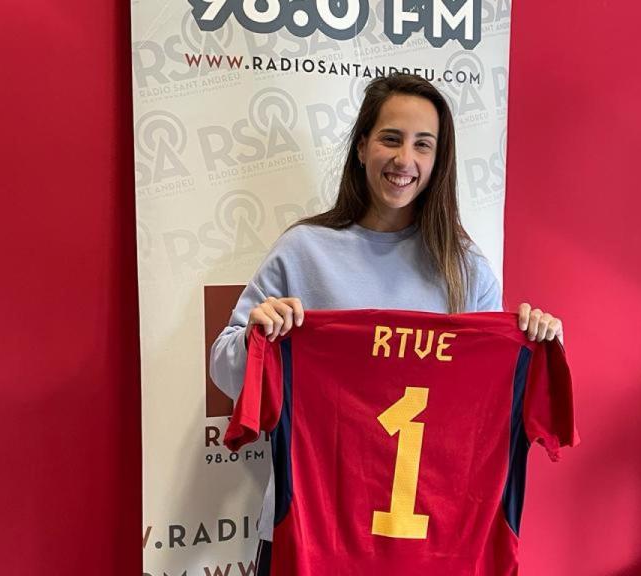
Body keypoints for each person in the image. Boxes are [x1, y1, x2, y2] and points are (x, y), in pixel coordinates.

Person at [209, 73, 564, 574]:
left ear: (439, 161)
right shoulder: (303, 251)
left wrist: (537, 343)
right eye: (390, 139)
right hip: (311, 533)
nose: (404, 160)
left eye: (423, 145)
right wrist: (256, 339)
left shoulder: (464, 267)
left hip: (423, 542)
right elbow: (226, 372)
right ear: (361, 148)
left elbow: (491, 405)